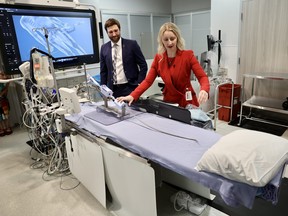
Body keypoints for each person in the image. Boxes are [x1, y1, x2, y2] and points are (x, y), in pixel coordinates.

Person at [117, 22, 210, 108]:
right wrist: (132, 95)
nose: (169, 42)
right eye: (166, 39)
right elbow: (148, 81)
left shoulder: (188, 55)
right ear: (161, 41)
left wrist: (204, 89)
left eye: (172, 39)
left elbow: (202, 77)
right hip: (170, 102)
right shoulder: (159, 58)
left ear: (177, 38)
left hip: (186, 101)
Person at [100, 18, 148, 98]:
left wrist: (139, 83)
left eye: (116, 30)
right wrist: (103, 89)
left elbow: (143, 65)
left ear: (119, 29)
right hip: (112, 90)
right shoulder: (104, 48)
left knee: (132, 110)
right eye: (110, 32)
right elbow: (103, 71)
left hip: (130, 88)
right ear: (107, 33)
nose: (114, 34)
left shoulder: (132, 45)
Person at [0, 71, 12, 136]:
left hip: (3, 100)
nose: (3, 76)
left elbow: (5, 92)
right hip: (2, 99)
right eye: (1, 74)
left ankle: (7, 127)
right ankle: (2, 128)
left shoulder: (3, 83)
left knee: (6, 114)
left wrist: (7, 83)